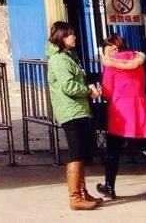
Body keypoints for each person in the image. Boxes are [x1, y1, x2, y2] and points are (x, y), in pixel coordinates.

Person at [96, 35, 146, 205]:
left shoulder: (110, 64)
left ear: (113, 48)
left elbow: (107, 92)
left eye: (106, 49)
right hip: (140, 107)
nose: (104, 53)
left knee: (113, 151)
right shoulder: (137, 60)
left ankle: (109, 187)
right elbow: (144, 85)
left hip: (120, 111)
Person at [46, 21, 103, 211]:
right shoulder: (59, 60)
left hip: (77, 109)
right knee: (76, 152)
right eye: (70, 34)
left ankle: (82, 192)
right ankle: (75, 197)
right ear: (62, 38)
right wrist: (88, 91)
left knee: (80, 152)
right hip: (70, 110)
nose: (74, 37)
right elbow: (68, 86)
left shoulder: (67, 56)